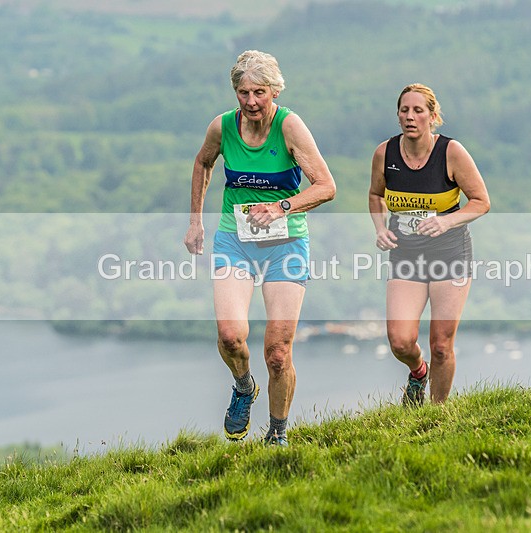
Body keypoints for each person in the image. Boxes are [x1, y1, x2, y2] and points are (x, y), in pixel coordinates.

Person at [184, 50, 336, 446]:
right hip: (235, 239)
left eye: (259, 92)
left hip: (285, 242)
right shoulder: (222, 127)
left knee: (278, 353)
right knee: (231, 336)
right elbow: (203, 163)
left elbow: (326, 186)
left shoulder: (290, 127)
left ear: (275, 91)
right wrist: (196, 220)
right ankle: (242, 386)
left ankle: (278, 433)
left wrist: (282, 206)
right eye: (243, 92)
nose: (251, 101)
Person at [368, 83, 490, 406]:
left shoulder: (451, 153)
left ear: (432, 116)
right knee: (400, 341)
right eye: (404, 110)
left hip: (449, 254)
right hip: (406, 254)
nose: (410, 117)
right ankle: (418, 372)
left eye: (418, 111)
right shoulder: (385, 153)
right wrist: (380, 228)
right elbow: (375, 195)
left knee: (441, 344)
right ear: (398, 116)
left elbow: (481, 201)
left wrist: (446, 220)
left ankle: (435, 414)